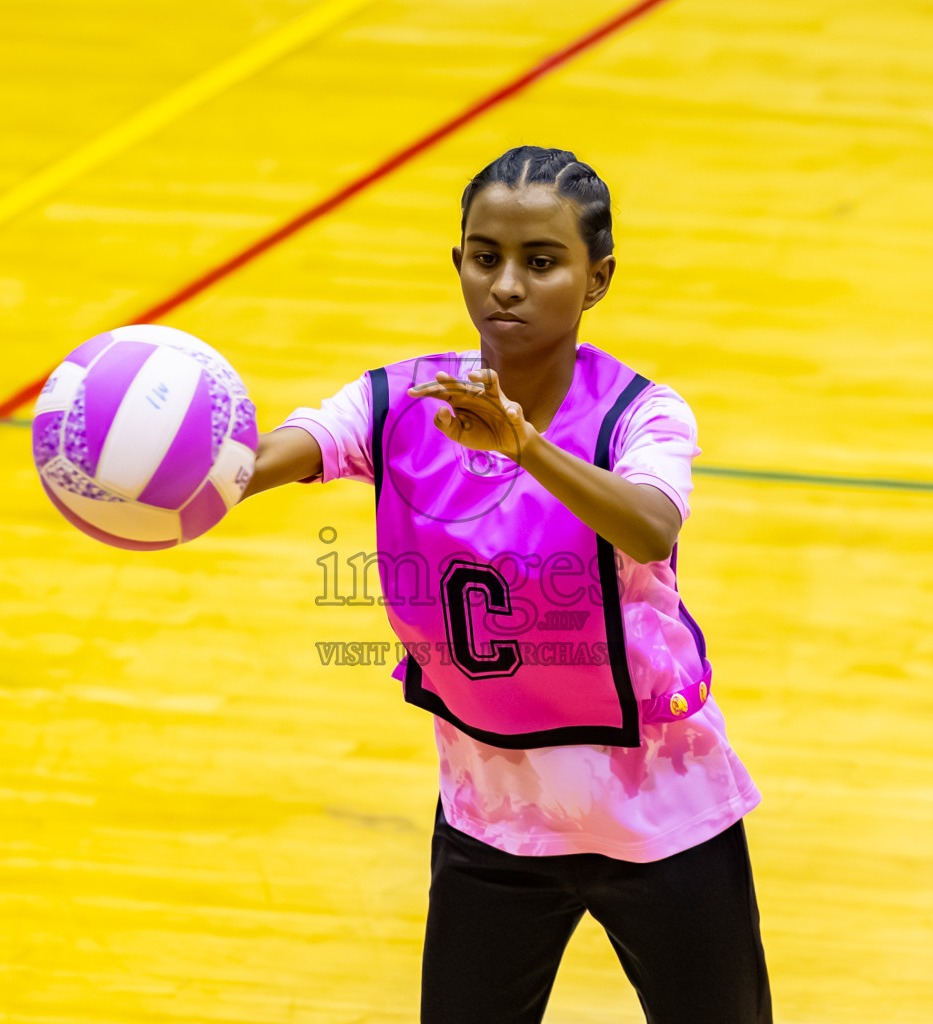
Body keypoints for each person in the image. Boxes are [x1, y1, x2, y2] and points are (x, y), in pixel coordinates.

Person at [241, 145, 770, 1023]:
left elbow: (651, 524)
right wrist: (190, 467)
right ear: (458, 265)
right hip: (494, 816)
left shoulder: (643, 414)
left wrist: (526, 447)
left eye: (542, 261)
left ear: (596, 279)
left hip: (662, 814)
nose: (508, 285)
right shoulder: (396, 402)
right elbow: (281, 455)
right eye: (485, 258)